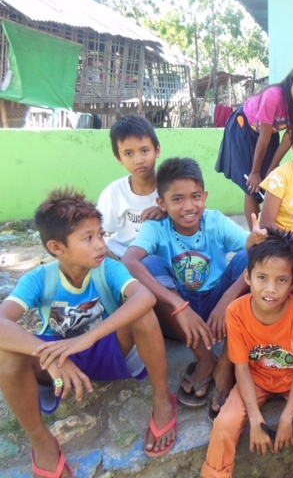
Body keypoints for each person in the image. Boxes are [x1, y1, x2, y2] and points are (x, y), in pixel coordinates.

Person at [0, 188, 178, 477]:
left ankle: (161, 398)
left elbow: (145, 297)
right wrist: (49, 357)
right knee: (7, 351)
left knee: (142, 313)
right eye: (88, 238)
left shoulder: (107, 268)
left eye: (101, 235)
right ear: (57, 248)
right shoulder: (39, 279)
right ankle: (39, 437)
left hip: (107, 351)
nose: (100, 245)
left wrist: (87, 337)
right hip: (58, 360)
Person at [122, 158, 266, 411]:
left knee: (249, 258)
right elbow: (130, 260)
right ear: (161, 204)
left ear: (205, 196)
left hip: (216, 303)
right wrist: (179, 305)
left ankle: (225, 361)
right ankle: (205, 357)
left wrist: (224, 302)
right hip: (176, 313)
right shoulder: (156, 227)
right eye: (177, 199)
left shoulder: (215, 221)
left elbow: (250, 247)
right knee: (152, 264)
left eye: (195, 196)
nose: (189, 206)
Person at [201, 229, 293, 478]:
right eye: (262, 278)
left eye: (281, 280)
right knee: (224, 424)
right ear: (247, 277)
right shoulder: (236, 312)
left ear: (292, 282)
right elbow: (241, 367)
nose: (271, 289)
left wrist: (286, 417)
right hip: (255, 379)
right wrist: (257, 419)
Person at [215, 57, 293, 226]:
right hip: (244, 129)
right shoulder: (274, 96)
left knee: (266, 181)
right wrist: (255, 172)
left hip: (270, 134)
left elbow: (289, 137)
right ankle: (256, 235)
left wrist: (271, 169)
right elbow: (264, 136)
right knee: (252, 186)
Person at [97, 115, 166, 259]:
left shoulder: (172, 189)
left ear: (157, 150)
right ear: (119, 158)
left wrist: (167, 212)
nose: (138, 160)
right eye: (129, 154)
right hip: (119, 255)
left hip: (156, 259)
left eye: (144, 151)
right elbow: (98, 231)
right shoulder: (114, 192)